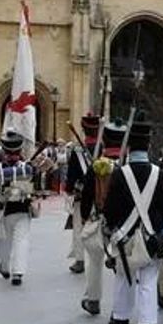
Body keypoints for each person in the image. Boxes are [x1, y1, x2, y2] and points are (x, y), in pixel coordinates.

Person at [103, 114, 163, 324]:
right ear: (148, 145)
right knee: (149, 280)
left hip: (125, 236)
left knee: (124, 277)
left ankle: (121, 320)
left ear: (129, 146)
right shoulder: (158, 174)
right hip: (151, 235)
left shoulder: (119, 174)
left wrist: (113, 229)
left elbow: (110, 208)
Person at [78, 117, 126, 315]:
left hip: (99, 218)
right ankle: (121, 307)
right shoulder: (126, 167)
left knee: (95, 261)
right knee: (123, 266)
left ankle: (93, 299)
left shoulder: (96, 166)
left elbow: (87, 195)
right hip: (124, 222)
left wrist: (83, 218)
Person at [0, 131, 36, 286]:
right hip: (23, 208)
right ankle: (18, 272)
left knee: (4, 240)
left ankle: (4, 266)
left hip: (3, 210)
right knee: (22, 240)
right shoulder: (27, 167)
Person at [65, 113, 101, 275]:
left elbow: (72, 175)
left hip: (82, 193)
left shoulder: (77, 150)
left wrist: (69, 189)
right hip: (100, 193)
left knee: (79, 227)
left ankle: (80, 260)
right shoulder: (103, 147)